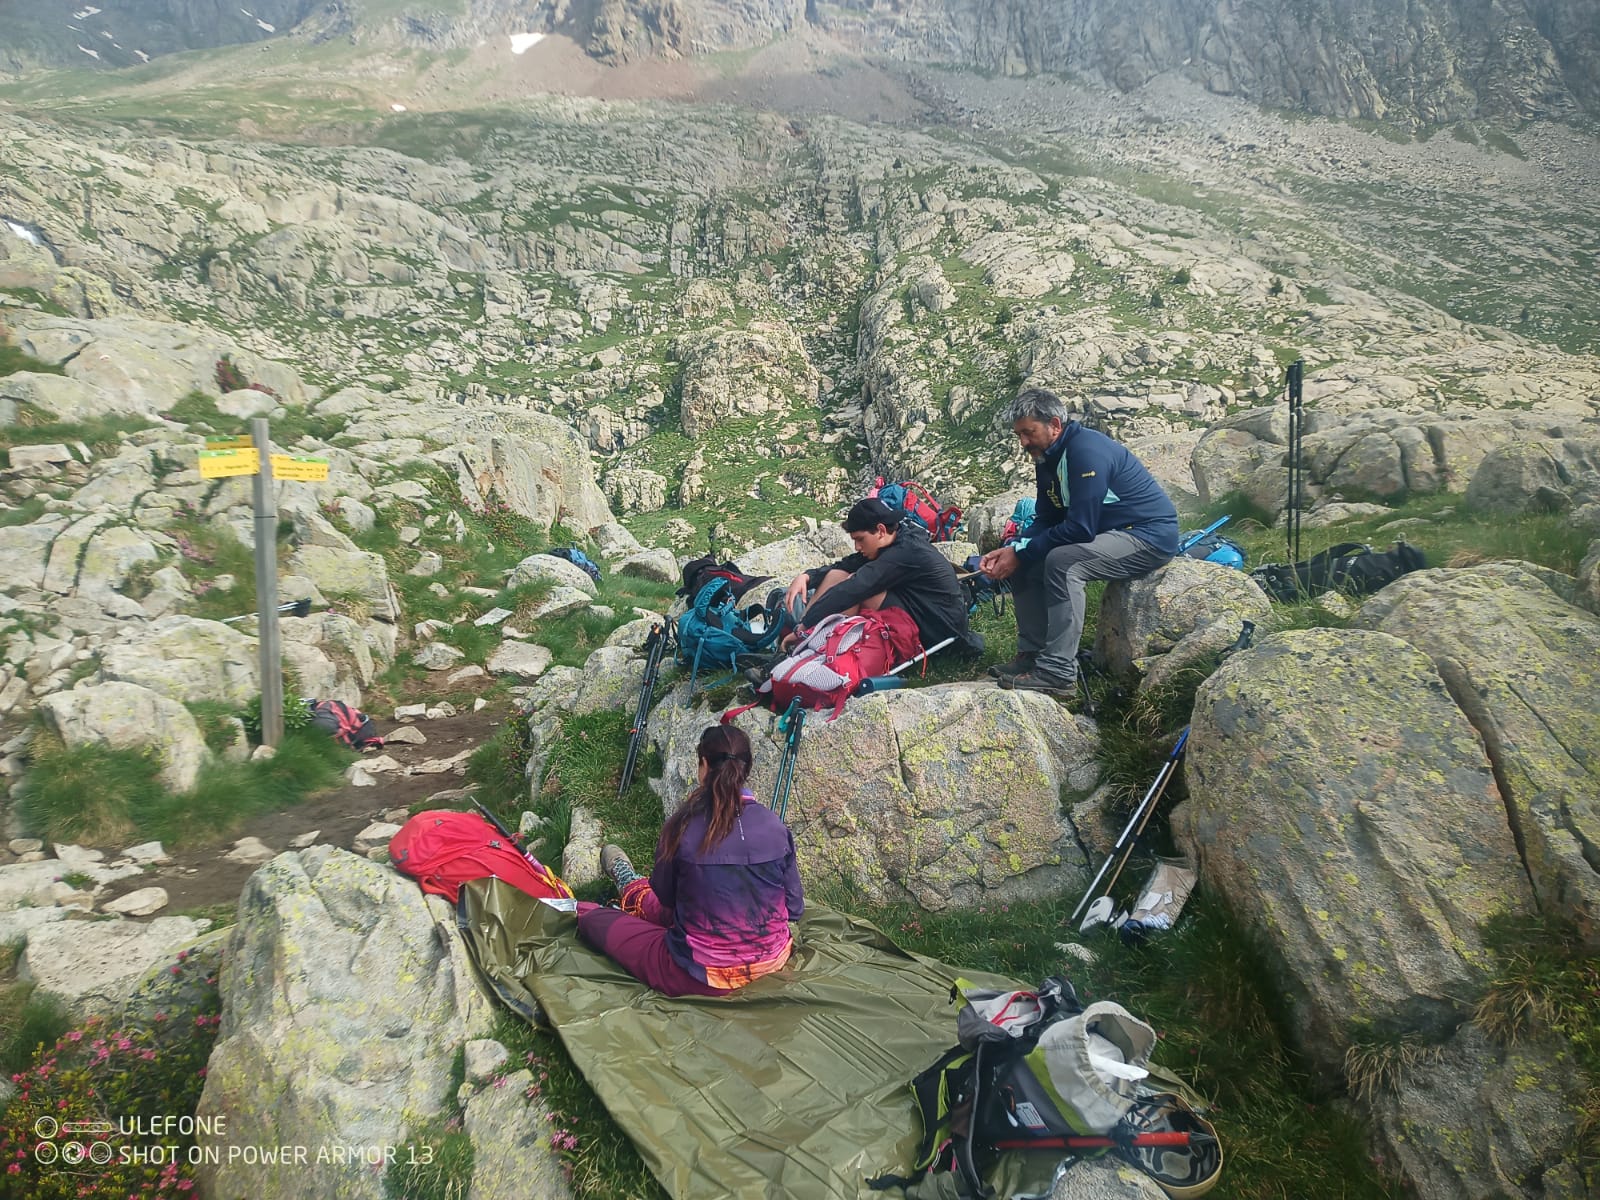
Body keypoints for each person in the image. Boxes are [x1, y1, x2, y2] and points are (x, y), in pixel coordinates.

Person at [977, 387, 1179, 698]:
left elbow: (1080, 529)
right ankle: (1032, 655)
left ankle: (1057, 671)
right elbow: (1047, 517)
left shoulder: (1085, 451)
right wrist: (1015, 548)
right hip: (1111, 533)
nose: (1023, 442)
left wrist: (1023, 550)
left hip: (1147, 535)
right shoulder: (1047, 458)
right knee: (1024, 561)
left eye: (1028, 433)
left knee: (1064, 561)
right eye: (1019, 434)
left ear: (1055, 425)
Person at [577, 724, 803, 997]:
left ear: (704, 764)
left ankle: (625, 883)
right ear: (747, 769)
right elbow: (794, 907)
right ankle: (627, 881)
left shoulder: (682, 825)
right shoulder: (775, 826)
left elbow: (666, 897)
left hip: (697, 975)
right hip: (771, 966)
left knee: (595, 920)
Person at [778, 496, 983, 658]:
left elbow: (855, 588)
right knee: (837, 575)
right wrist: (807, 576)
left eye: (860, 539)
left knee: (856, 590)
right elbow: (847, 565)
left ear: (881, 530)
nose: (857, 547)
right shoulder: (895, 539)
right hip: (919, 610)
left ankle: (811, 646)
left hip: (939, 631)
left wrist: (803, 628)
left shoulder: (905, 552)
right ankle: (804, 643)